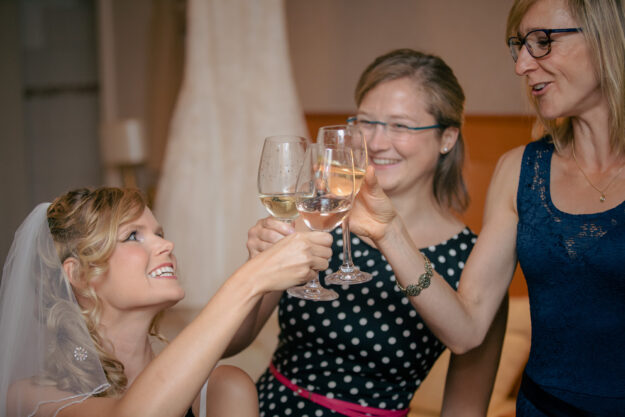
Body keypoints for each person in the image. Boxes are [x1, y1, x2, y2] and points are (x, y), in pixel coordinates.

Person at [349, 1, 625, 416]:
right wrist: (390, 233)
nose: (522, 66)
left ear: (607, 39)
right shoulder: (520, 170)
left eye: (542, 42)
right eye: (520, 46)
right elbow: (466, 330)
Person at [231, 49, 508, 416]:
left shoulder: (474, 260)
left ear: (447, 137)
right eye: (365, 122)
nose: (375, 143)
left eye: (400, 126)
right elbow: (232, 343)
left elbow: (465, 409)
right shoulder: (319, 216)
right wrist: (255, 269)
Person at [0, 187, 333, 417]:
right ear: (79, 275)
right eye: (133, 236)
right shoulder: (31, 397)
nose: (167, 244)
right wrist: (250, 279)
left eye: (158, 233)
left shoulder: (222, 390)